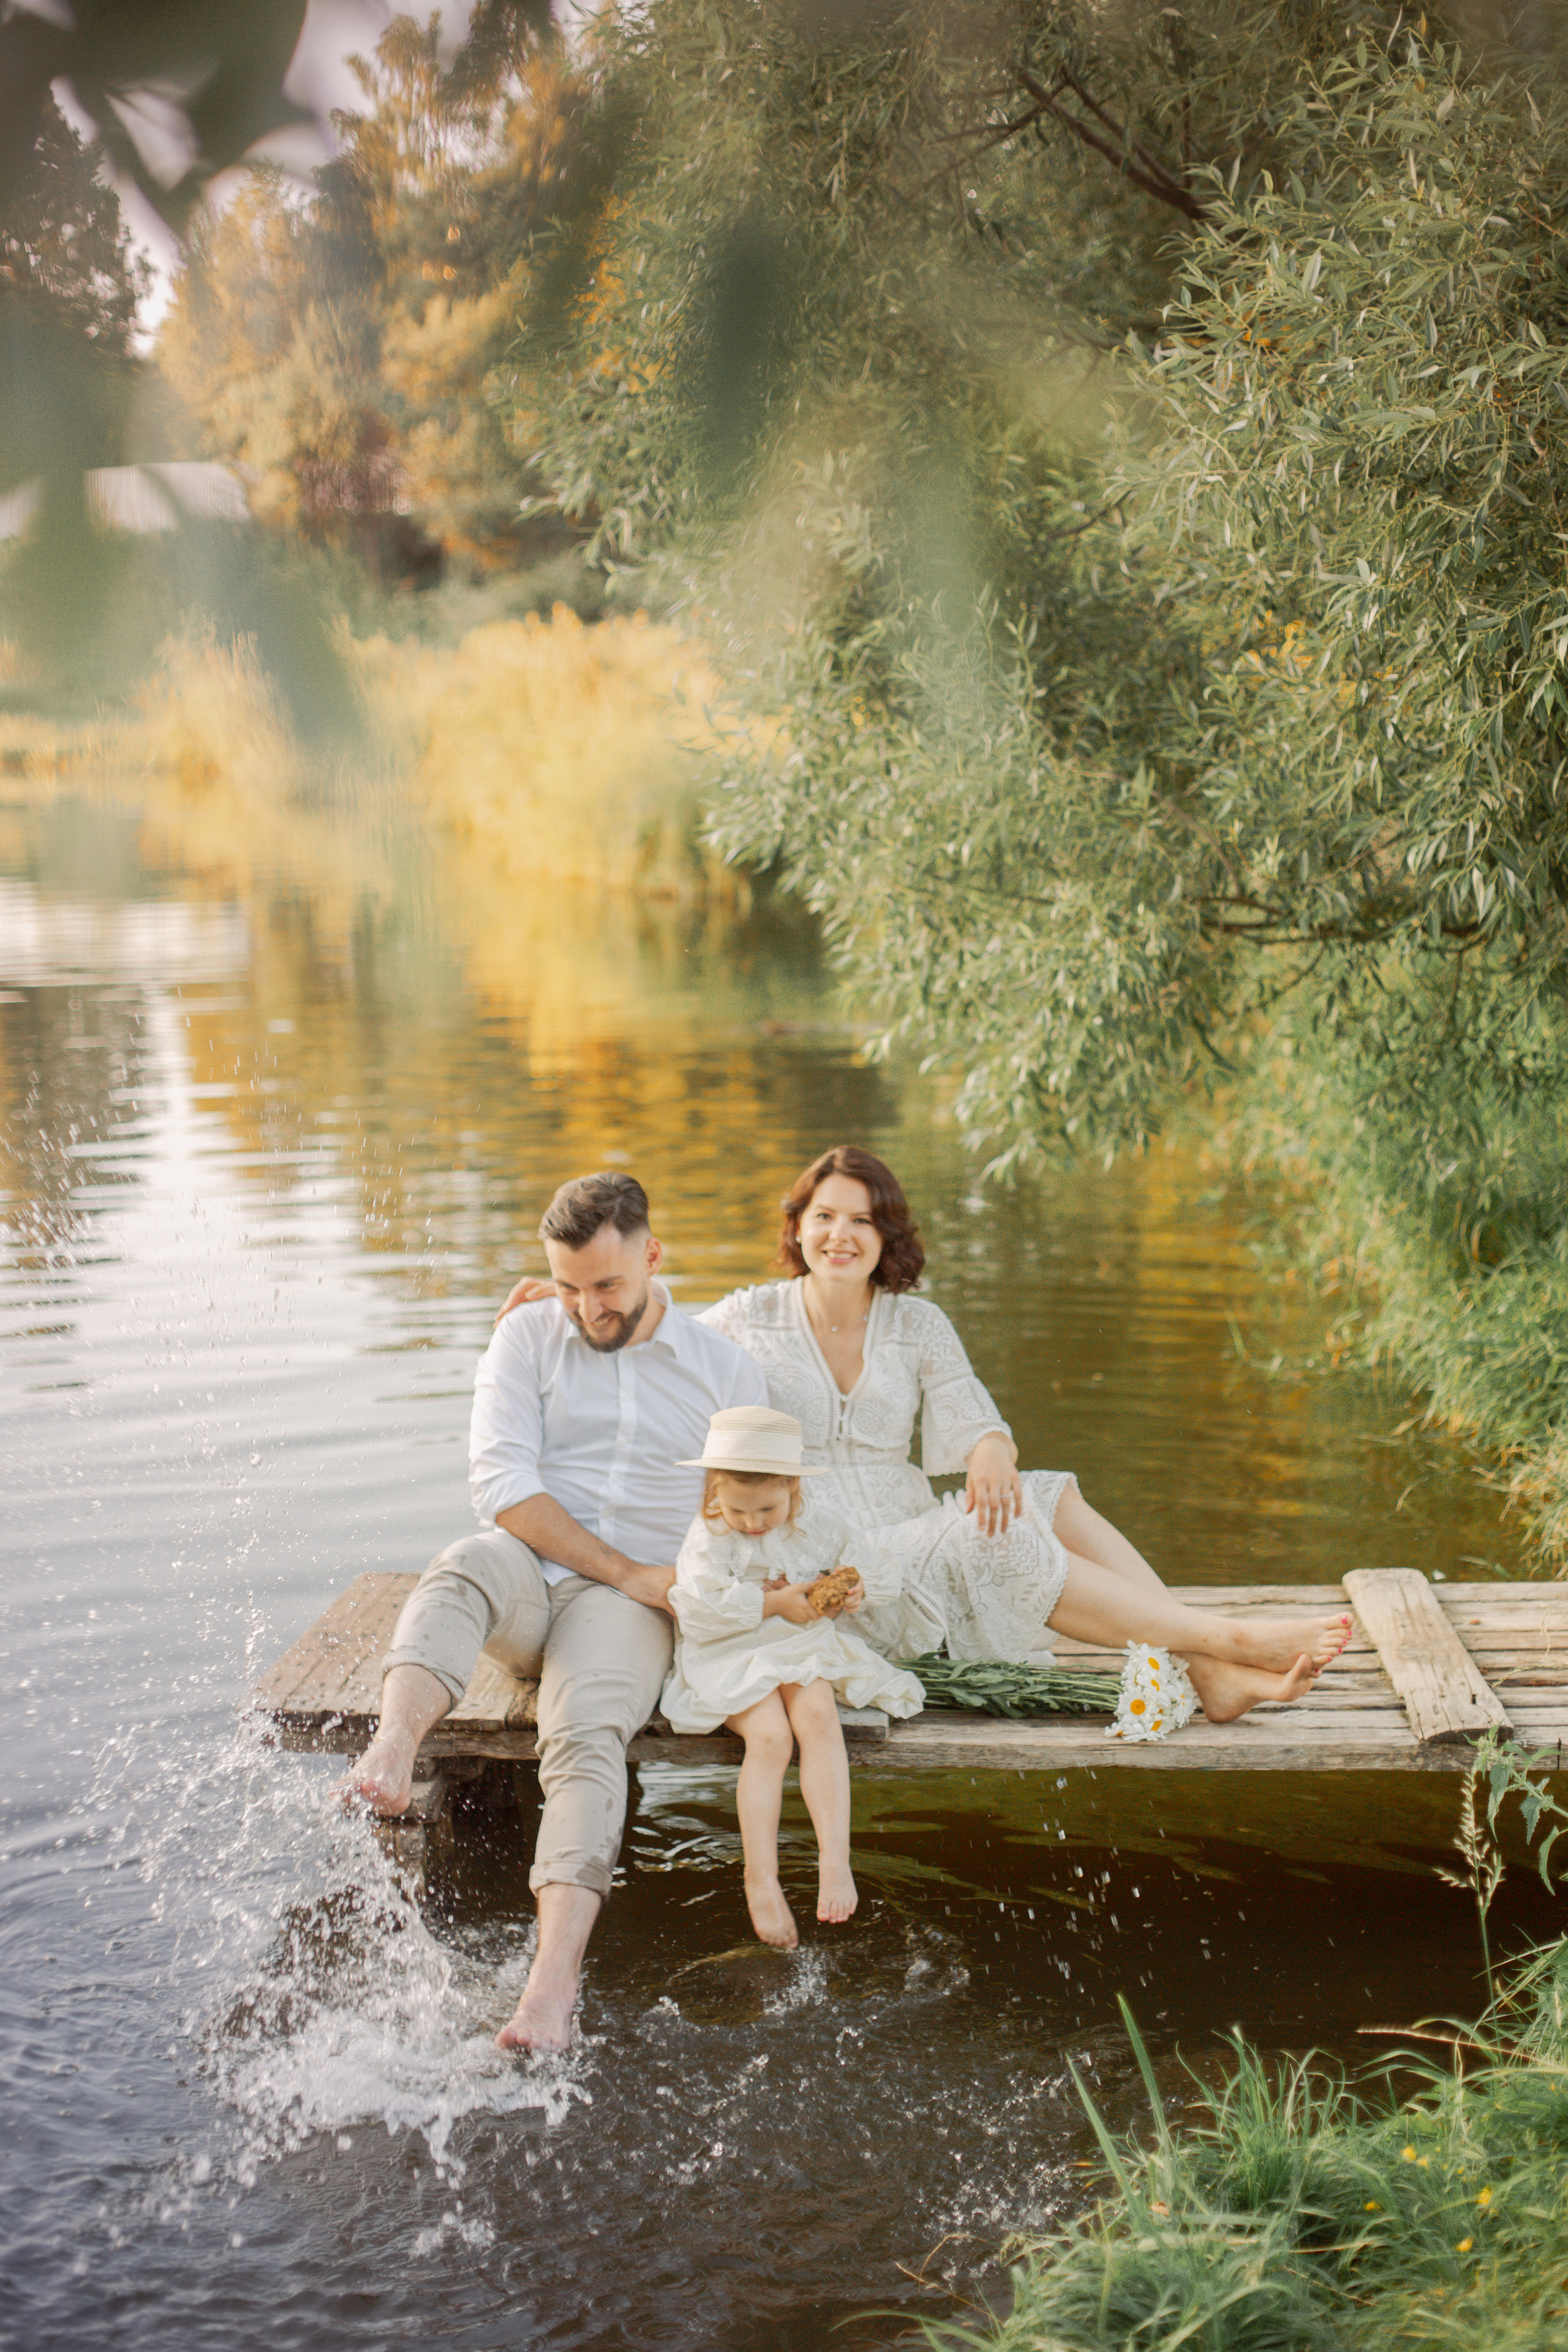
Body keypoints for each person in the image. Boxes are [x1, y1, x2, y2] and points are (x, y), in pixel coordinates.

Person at [499, 1147, 1351, 1719]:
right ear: (798, 1227)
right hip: (829, 1557)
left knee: (1045, 1492)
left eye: (861, 1221)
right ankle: (1226, 1641)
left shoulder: (917, 1325)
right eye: (823, 1217)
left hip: (908, 1519)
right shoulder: (745, 1319)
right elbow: (653, 1326)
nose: (839, 1234)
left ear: (884, 1237)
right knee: (997, 1538)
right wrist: (570, 1300)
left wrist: (992, 1448)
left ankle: (1205, 1671)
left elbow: (975, 1415)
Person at [345, 1170, 769, 2054]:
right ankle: (393, 1749)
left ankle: (550, 1992)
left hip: (632, 1606)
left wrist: (671, 1585)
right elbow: (501, 1486)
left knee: (582, 1737)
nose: (587, 1308)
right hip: (534, 1580)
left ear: (653, 1256)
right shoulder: (526, 1336)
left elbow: (756, 1509)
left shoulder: (726, 1369)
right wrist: (622, 1565)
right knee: (462, 1564)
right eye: (569, 1286)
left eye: (607, 1285)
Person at [662, 1406, 924, 1949]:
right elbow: (697, 1612)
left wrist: (858, 1589)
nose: (754, 1522)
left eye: (768, 1508)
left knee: (817, 1716)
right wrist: (776, 1602)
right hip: (730, 1649)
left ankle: (835, 1857)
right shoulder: (710, 1535)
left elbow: (878, 1566)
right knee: (772, 1737)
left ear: (792, 1488)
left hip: (798, 1645)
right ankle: (761, 1877)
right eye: (739, 1510)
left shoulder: (821, 1524)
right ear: (716, 1491)